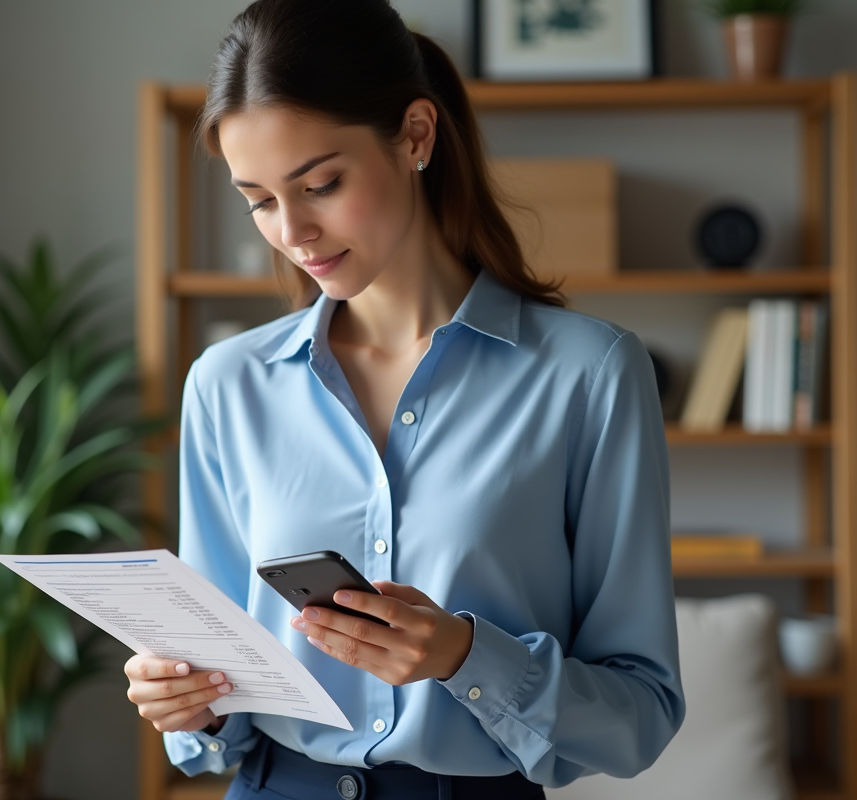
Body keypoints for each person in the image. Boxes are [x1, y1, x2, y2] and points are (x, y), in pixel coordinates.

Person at [123, 1, 685, 798]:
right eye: (258, 199)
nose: (293, 232)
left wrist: (464, 656)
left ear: (416, 135)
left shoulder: (588, 375)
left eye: (321, 184)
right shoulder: (227, 384)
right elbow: (225, 698)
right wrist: (192, 703)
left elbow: (641, 714)